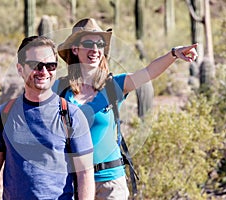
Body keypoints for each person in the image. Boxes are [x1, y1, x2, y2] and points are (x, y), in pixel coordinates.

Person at [54, 18, 198, 200]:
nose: (95, 50)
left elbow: (149, 72)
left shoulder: (114, 85)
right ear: (75, 49)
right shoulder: (61, 89)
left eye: (99, 44)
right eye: (88, 43)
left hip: (111, 182)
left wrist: (174, 53)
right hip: (75, 182)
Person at [0, 36, 95, 200]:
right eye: (36, 65)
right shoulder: (4, 114)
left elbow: (85, 172)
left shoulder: (70, 115)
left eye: (50, 66)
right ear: (20, 69)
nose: (44, 72)